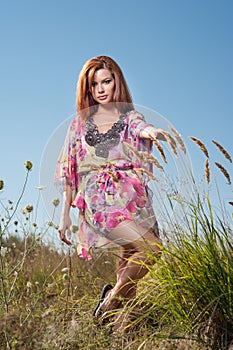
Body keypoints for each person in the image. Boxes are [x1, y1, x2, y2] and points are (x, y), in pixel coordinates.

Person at [55, 55, 167, 333]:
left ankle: (120, 328)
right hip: (100, 202)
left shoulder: (130, 117)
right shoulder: (80, 125)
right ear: (88, 89)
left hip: (134, 198)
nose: (102, 88)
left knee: (131, 256)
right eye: (95, 84)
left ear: (117, 81)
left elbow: (142, 128)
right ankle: (108, 302)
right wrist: (64, 216)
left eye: (107, 81)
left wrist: (154, 132)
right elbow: (71, 169)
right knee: (153, 249)